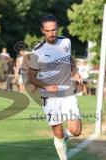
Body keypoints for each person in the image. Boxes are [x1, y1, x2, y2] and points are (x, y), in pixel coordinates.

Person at [28, 14, 82, 160]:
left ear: (57, 29)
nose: (51, 33)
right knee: (58, 133)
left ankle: (65, 138)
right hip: (49, 96)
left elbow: (68, 58)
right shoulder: (37, 51)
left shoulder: (66, 42)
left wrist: (75, 72)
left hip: (67, 92)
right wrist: (46, 86)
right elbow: (31, 77)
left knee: (76, 131)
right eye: (48, 30)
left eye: (54, 30)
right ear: (42, 31)